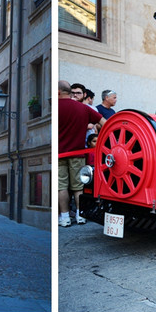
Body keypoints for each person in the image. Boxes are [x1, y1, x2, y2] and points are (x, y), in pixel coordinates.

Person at [59, 80, 106, 227]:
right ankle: (81, 215)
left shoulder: (55, 107)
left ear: (58, 92)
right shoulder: (83, 108)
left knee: (62, 187)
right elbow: (105, 122)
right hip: (78, 153)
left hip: (59, 154)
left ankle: (65, 217)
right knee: (79, 187)